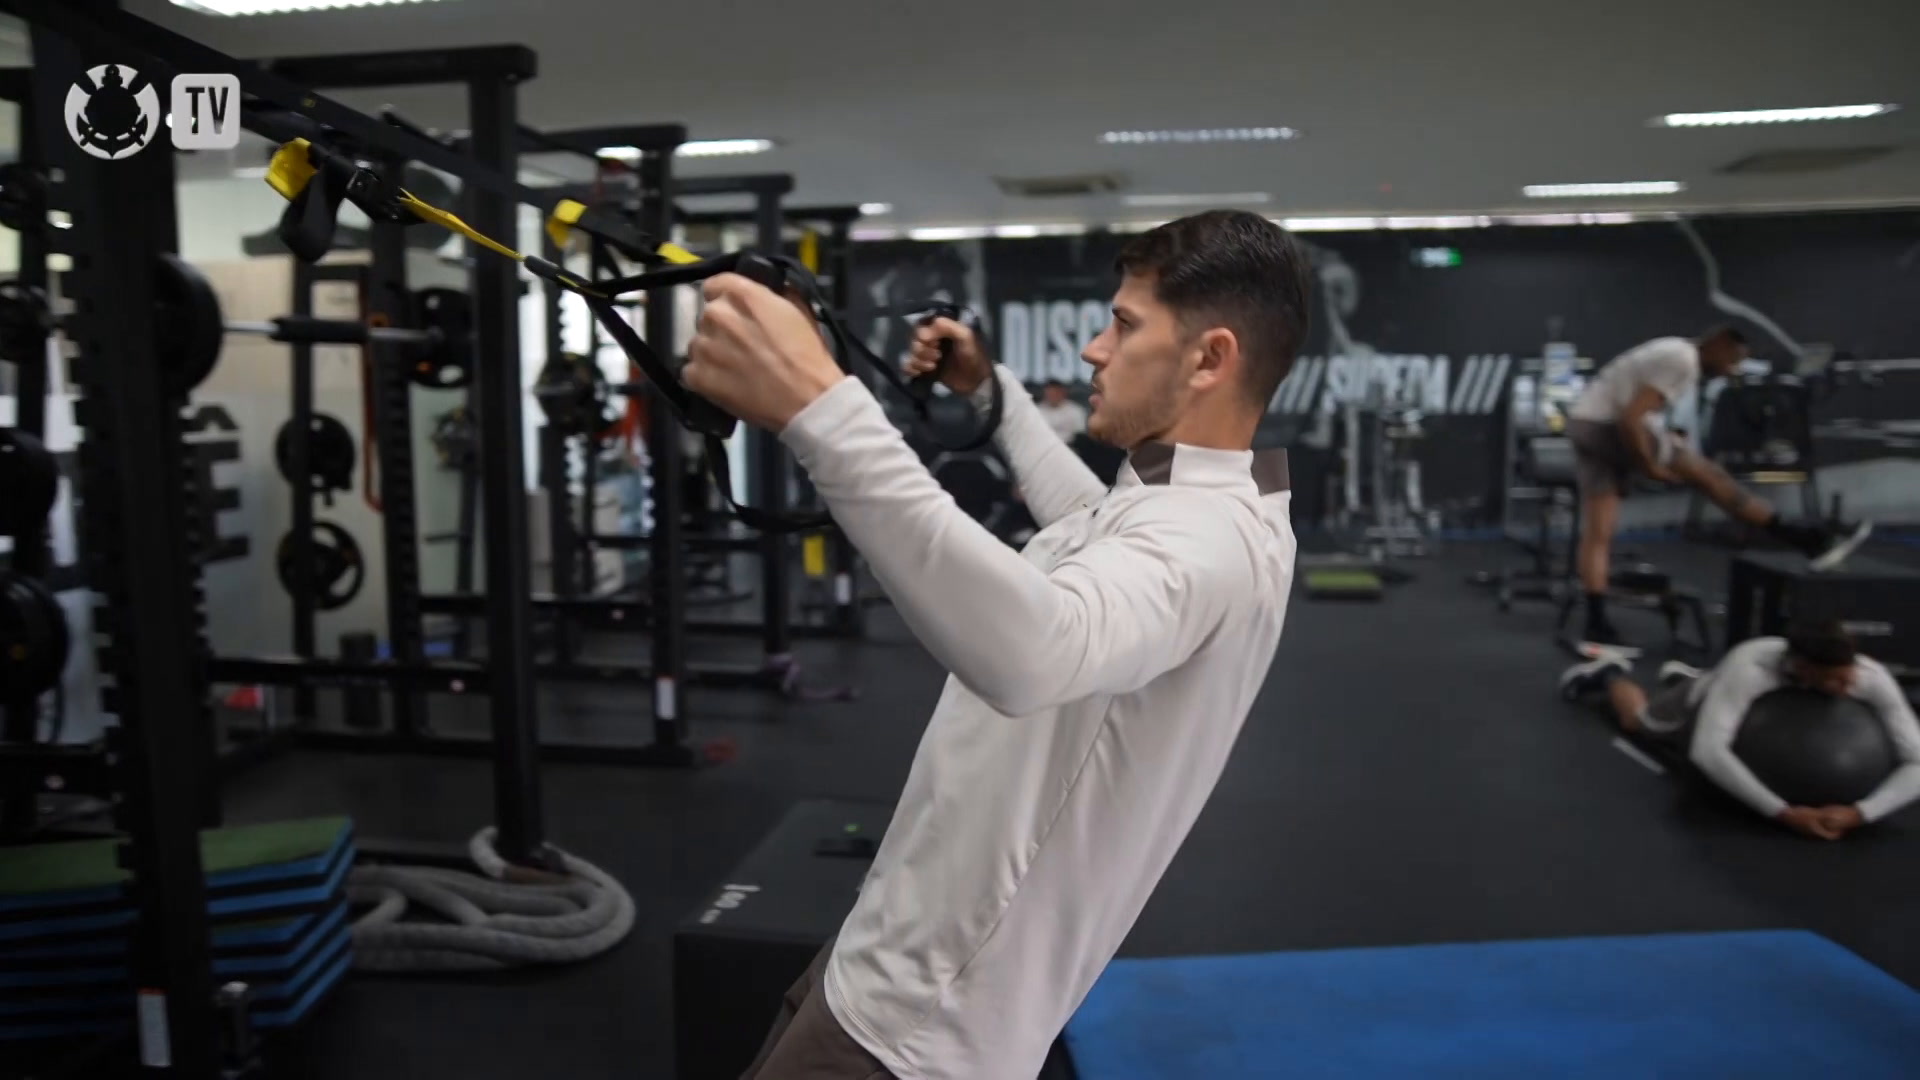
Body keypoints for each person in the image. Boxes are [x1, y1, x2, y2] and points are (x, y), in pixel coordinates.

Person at [682, 209, 1306, 1080]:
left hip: (911, 1035)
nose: (1095, 348)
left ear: (1210, 358)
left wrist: (819, 410)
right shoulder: (1202, 504)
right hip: (885, 962)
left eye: (1123, 326)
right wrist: (995, 395)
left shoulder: (1209, 545)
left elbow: (1034, 650)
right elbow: (1089, 521)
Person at [1564, 327, 1871, 655]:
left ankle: (1596, 624)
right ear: (1718, 346)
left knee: (1598, 532)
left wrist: (1663, 447)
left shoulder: (1671, 351)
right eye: (1733, 361)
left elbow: (1635, 409)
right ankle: (1807, 539)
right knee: (1711, 477)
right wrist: (1650, 466)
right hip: (1608, 427)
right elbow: (1630, 420)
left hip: (1584, 423)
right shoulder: (1682, 359)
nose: (1732, 370)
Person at [1559, 619, 1920, 840]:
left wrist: (1862, 813)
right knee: (1636, 722)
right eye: (1836, 682)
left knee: (1720, 695)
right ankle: (1610, 673)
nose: (1848, 686)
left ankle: (1685, 676)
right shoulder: (1751, 669)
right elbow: (1708, 751)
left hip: (1732, 695)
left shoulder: (1870, 677)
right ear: (1803, 669)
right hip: (1701, 701)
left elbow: (1918, 762)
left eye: (1849, 675)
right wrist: (1783, 812)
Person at [1035, 378, 1089, 443]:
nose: (1052, 396)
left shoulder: (1075, 410)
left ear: (1062, 392)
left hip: (1069, 446)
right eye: (1050, 393)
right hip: (1043, 445)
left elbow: (1080, 433)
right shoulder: (1036, 410)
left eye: (1055, 393)